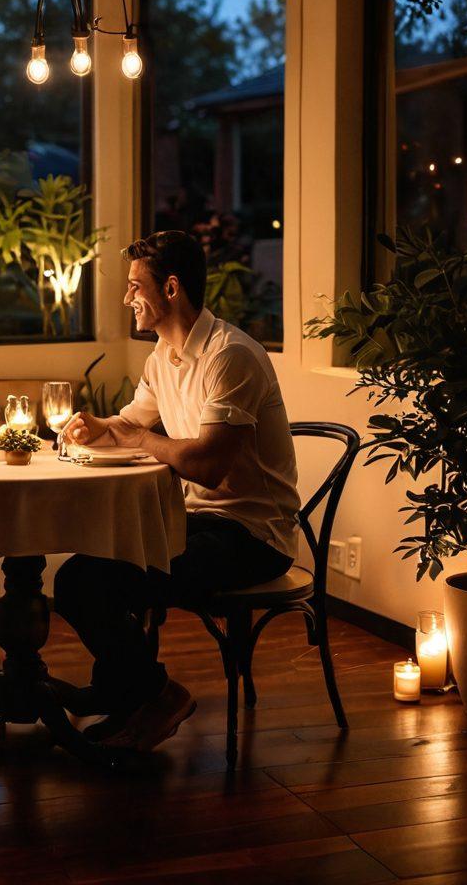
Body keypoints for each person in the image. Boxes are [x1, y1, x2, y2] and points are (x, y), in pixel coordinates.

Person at [56, 230, 300, 751]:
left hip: (252, 537)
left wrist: (138, 437)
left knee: (88, 582)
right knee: (81, 571)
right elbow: (127, 422)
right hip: (199, 524)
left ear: (170, 289)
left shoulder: (230, 355)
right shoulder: (160, 359)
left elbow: (208, 466)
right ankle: (128, 695)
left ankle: (155, 697)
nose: (126, 299)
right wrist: (91, 424)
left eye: (133, 287)